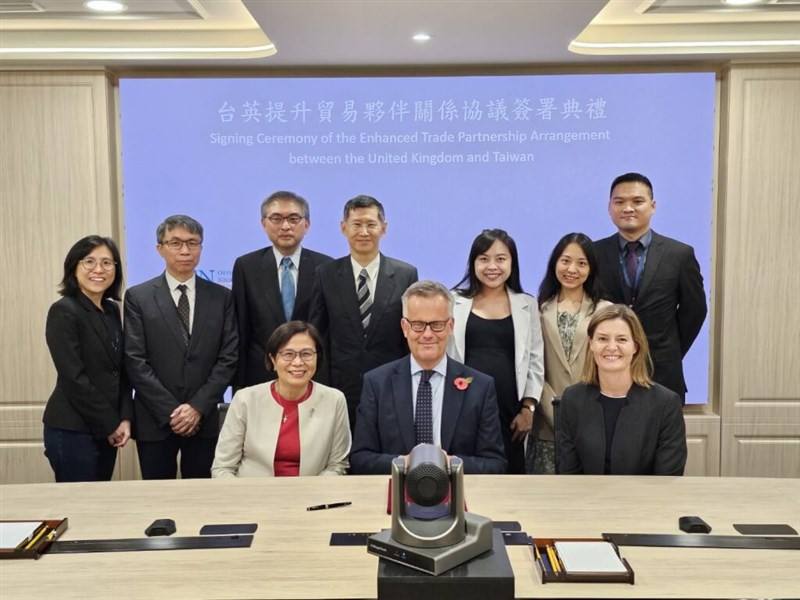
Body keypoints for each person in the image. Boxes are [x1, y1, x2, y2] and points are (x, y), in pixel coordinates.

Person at [350, 280, 507, 475]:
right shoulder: (377, 383)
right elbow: (360, 459)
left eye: (437, 325)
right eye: (418, 325)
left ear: (450, 326)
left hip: (459, 496)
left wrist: (448, 463)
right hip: (395, 495)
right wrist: (406, 463)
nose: (427, 334)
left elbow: (495, 464)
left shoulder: (480, 387)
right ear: (404, 327)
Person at [125, 215, 238, 479]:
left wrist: (196, 407)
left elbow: (229, 357)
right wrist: (172, 411)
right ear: (159, 248)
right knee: (157, 498)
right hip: (155, 417)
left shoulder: (222, 297)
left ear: (201, 247)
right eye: (175, 243)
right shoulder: (138, 297)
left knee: (202, 498)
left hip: (205, 416)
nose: (185, 250)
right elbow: (135, 359)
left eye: (192, 243)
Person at [594, 172, 707, 402]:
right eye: (620, 202)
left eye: (637, 201)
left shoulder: (679, 255)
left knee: (663, 438)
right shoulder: (594, 253)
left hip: (663, 375)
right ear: (609, 207)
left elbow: (694, 311)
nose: (628, 208)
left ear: (652, 206)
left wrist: (668, 350)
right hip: (606, 377)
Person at [309, 195, 418, 427]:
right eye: (356, 224)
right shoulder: (325, 274)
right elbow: (318, 335)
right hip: (339, 389)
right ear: (343, 228)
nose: (364, 231)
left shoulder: (405, 274)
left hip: (391, 386)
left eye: (371, 224)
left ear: (384, 228)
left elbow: (410, 335)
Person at [448, 229, 543, 474]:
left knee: (510, 475)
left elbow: (535, 359)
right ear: (473, 263)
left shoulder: (527, 304)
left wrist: (528, 408)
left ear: (512, 262)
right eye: (484, 259)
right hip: (462, 407)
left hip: (511, 412)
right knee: (466, 473)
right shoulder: (453, 301)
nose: (492, 266)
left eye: (501, 259)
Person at [557, 304, 687, 475]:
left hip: (646, 501)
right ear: (591, 344)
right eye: (602, 339)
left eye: (621, 339)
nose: (611, 347)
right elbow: (568, 474)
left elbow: (667, 478)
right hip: (584, 500)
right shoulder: (572, 399)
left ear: (635, 346)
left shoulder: (666, 404)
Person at [43, 236, 132, 482]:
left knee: (99, 503)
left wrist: (124, 417)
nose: (98, 270)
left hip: (106, 427)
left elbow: (121, 370)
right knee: (78, 507)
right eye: (89, 261)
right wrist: (111, 423)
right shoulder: (64, 311)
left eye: (107, 262)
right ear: (74, 266)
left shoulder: (112, 310)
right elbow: (74, 377)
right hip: (72, 429)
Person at [212, 321, 350, 477]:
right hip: (253, 494)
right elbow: (223, 468)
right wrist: (245, 498)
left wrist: (313, 494)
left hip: (311, 496)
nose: (298, 362)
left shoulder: (334, 400)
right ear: (273, 360)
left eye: (306, 354)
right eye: (288, 354)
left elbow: (337, 466)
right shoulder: (245, 399)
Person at [232, 191, 332, 389]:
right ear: (264, 224)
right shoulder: (246, 266)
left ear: (307, 224)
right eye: (276, 219)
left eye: (293, 219)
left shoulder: (326, 267)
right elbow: (241, 330)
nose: (285, 226)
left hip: (312, 377)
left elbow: (327, 332)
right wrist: (238, 386)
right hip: (260, 378)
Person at [532, 232, 611, 474]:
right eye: (565, 261)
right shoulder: (538, 309)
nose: (572, 269)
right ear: (554, 262)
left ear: (591, 269)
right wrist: (552, 410)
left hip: (593, 422)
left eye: (581, 263)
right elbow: (534, 365)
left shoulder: (604, 310)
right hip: (546, 423)